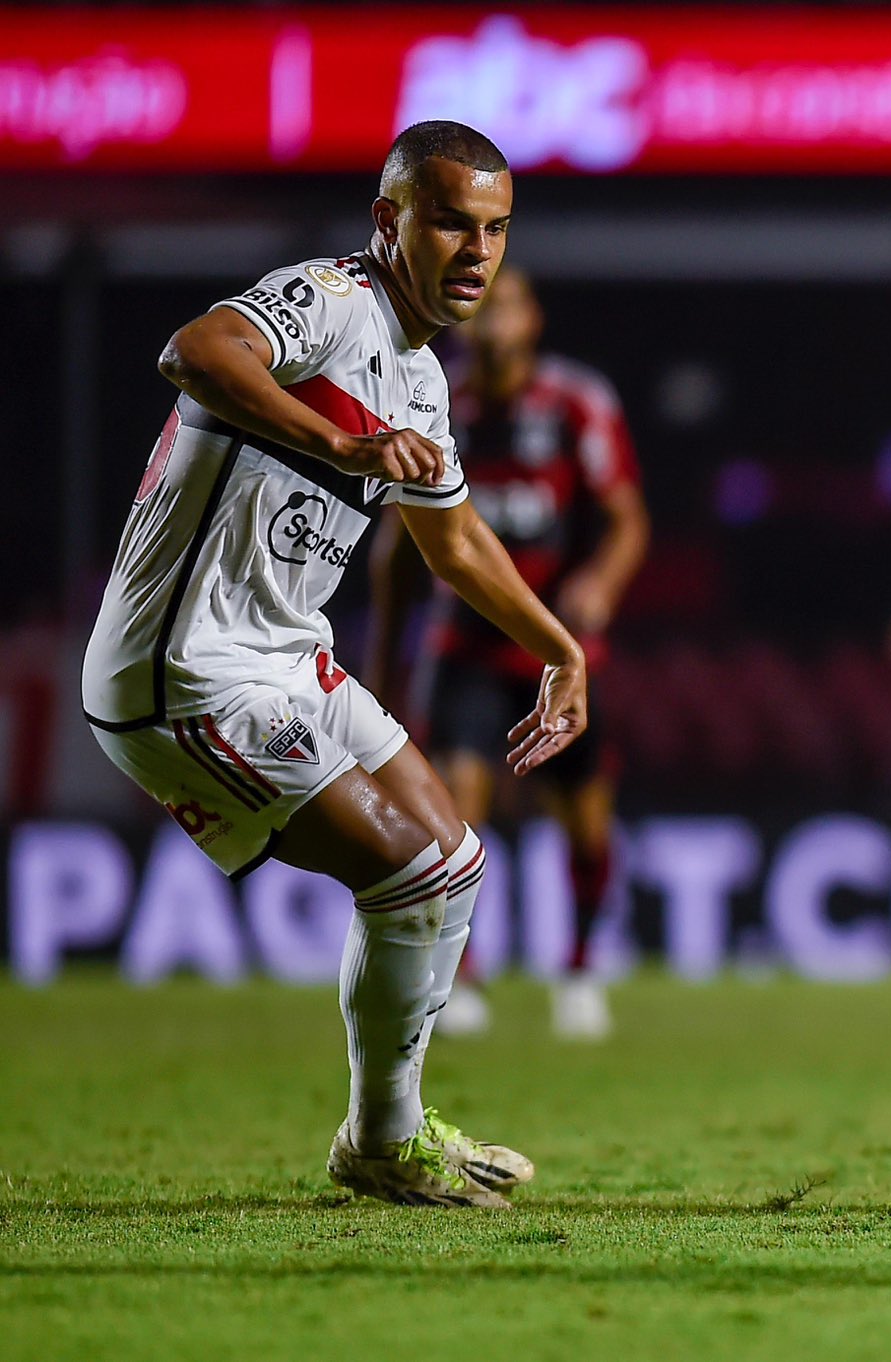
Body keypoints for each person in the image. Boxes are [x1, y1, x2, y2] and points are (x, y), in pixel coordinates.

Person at [81, 121, 587, 1208]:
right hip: (187, 671)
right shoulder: (333, 297)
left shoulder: (419, 379)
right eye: (451, 221)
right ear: (388, 220)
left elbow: (450, 541)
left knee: (454, 859)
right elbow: (195, 351)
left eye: (494, 231)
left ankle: (380, 1136)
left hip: (282, 657)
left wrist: (557, 645)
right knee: (411, 871)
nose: (475, 253)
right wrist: (344, 446)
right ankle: (382, 1140)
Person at [369, 267, 648, 1040]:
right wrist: (383, 669)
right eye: (482, 302)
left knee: (586, 825)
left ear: (534, 320)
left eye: (509, 301)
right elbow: (395, 553)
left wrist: (599, 582)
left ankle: (584, 968)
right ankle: (464, 978)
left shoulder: (576, 403)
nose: (492, 312)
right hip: (461, 644)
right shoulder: (433, 399)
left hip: (556, 650)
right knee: (456, 814)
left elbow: (628, 520)